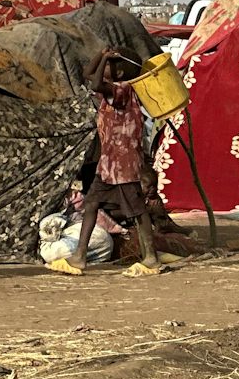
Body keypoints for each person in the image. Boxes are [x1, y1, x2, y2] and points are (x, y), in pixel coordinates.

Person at [48, 49, 161, 276]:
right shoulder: (112, 88)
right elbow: (88, 74)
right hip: (109, 164)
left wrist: (107, 60)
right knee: (91, 204)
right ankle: (79, 257)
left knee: (138, 210)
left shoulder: (122, 90)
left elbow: (95, 84)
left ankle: (151, 258)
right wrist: (101, 55)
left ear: (119, 70)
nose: (103, 70)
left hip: (124, 164)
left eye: (109, 66)